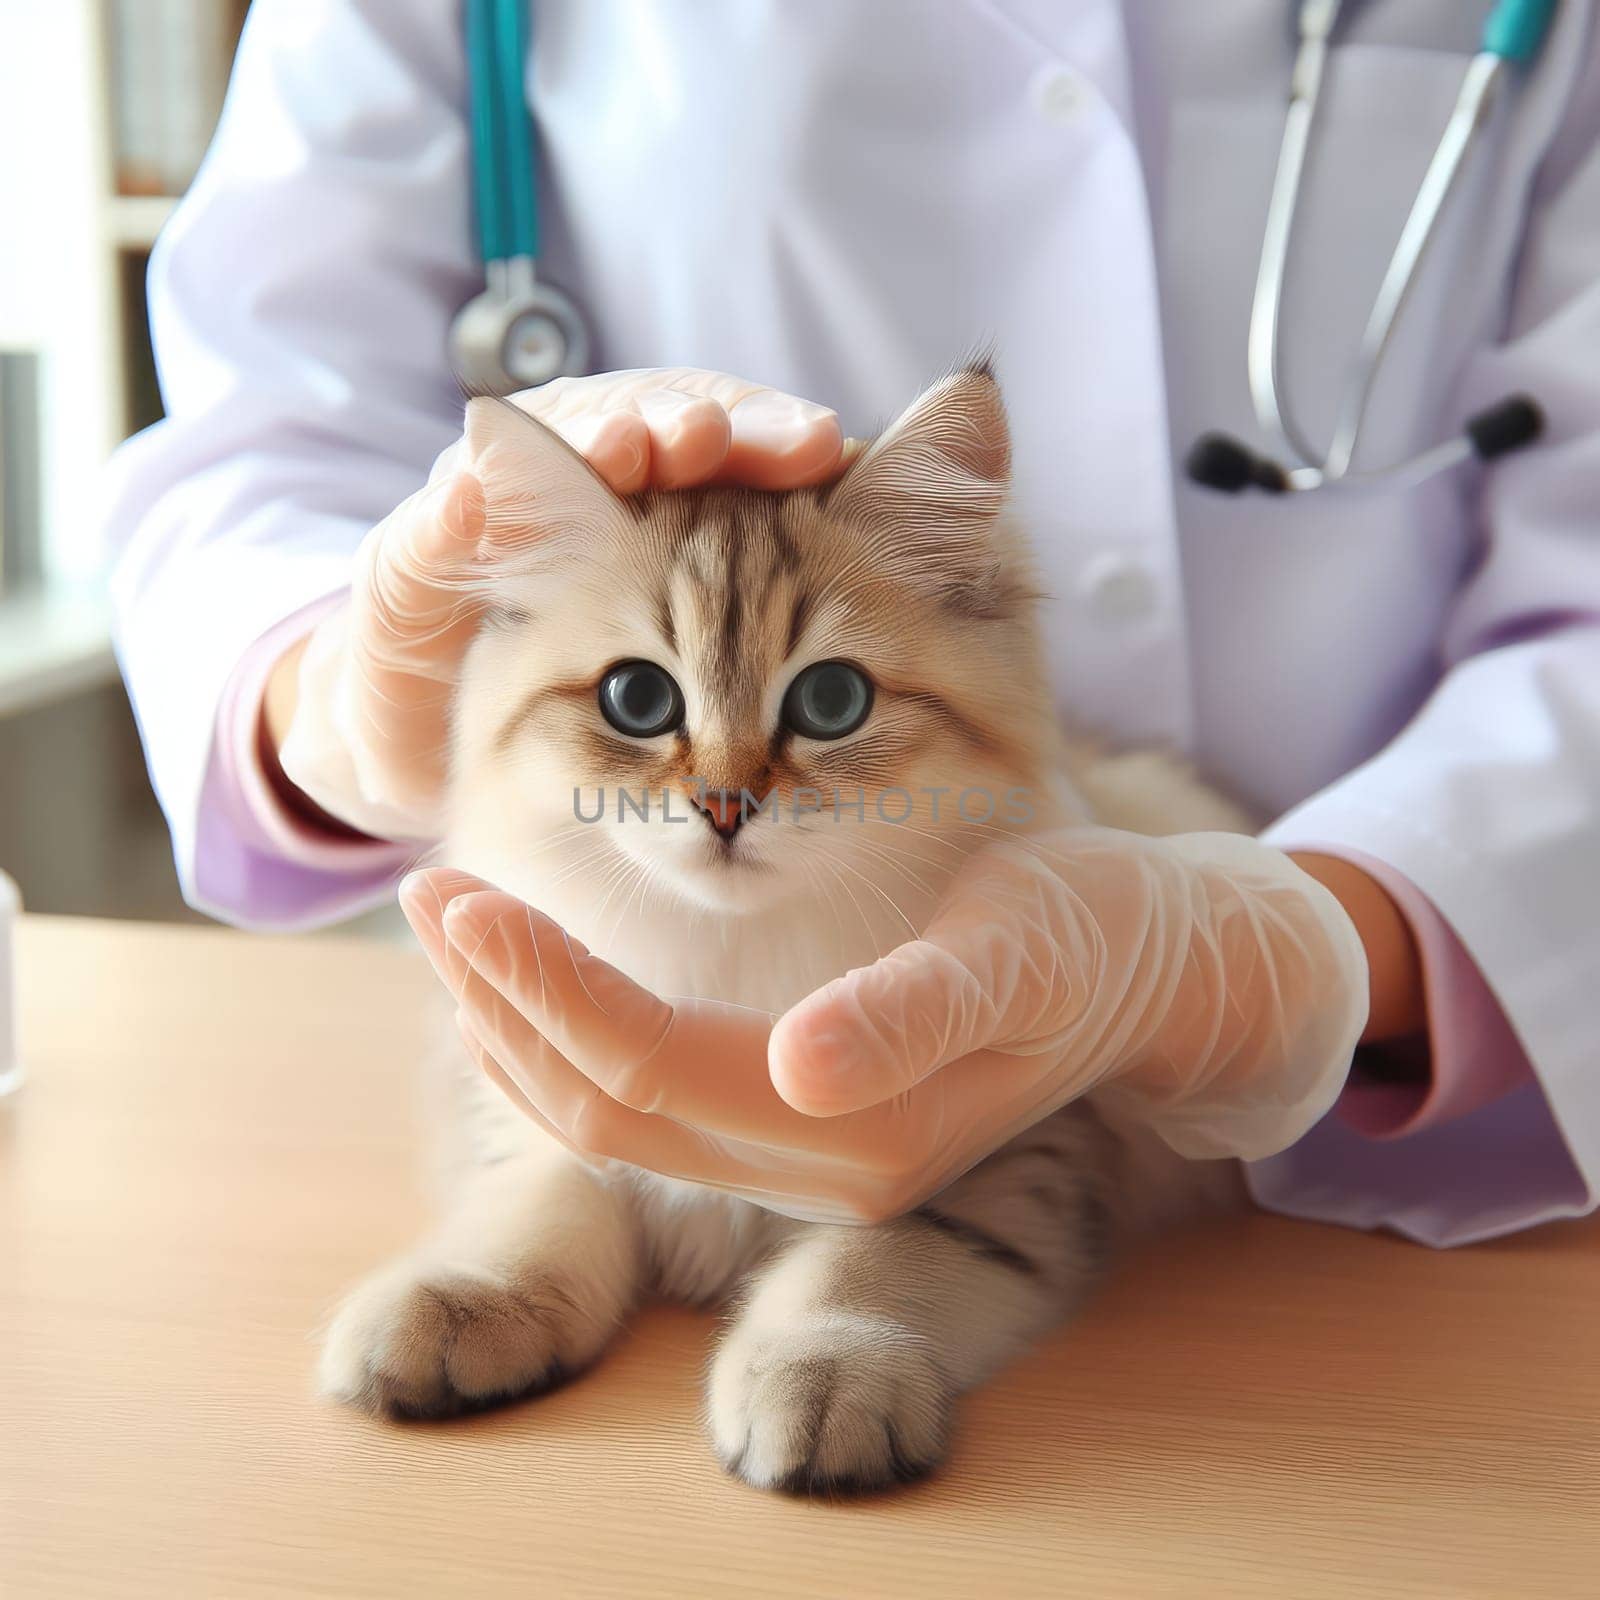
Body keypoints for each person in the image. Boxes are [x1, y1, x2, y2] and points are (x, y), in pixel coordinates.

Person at [104, 2, 1600, 1245]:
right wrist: (345, 688)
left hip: (1436, 1137)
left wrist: (1293, 961)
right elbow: (270, 430)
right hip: (630, 951)